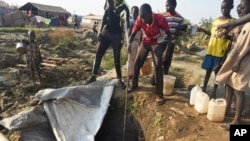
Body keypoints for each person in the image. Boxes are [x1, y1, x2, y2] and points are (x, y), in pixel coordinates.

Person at [127, 3, 172, 106]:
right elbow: (133, 33)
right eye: (141, 18)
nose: (143, 21)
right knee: (137, 63)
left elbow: (169, 35)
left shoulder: (160, 19)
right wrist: (129, 44)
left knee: (158, 66)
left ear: (150, 13)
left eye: (145, 18)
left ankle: (159, 95)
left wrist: (167, 50)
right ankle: (134, 85)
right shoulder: (140, 19)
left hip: (157, 43)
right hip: (146, 42)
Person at [216, 0, 250, 130]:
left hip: (244, 60)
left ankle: (237, 121)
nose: (241, 9)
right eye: (240, 7)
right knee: (229, 83)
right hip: (238, 58)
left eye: (244, 7)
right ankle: (226, 111)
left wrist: (239, 60)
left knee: (239, 89)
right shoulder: (246, 23)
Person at [86, 0, 130, 89]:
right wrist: (100, 31)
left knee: (117, 57)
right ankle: (93, 75)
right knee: (98, 54)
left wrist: (127, 40)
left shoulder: (125, 7)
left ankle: (119, 79)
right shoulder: (109, 2)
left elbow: (126, 24)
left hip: (117, 34)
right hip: (106, 32)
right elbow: (104, 17)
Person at [198, 0, 235, 99]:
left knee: (217, 74)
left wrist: (225, 35)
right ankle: (204, 89)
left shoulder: (232, 22)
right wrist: (202, 30)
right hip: (211, 50)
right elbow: (212, 35)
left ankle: (214, 92)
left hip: (220, 52)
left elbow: (232, 39)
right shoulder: (215, 20)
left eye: (226, 8)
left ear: (231, 7)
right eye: (222, 8)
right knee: (207, 72)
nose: (224, 10)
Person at [151, 0, 186, 85]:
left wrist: (179, 33)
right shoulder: (162, 16)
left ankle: (163, 82)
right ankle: (155, 82)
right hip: (161, 42)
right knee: (158, 63)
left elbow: (182, 32)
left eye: (168, 6)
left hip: (171, 43)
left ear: (174, 6)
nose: (166, 8)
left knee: (167, 63)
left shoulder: (180, 18)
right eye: (165, 6)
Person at [126, 6, 142, 82]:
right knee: (131, 59)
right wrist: (128, 44)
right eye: (134, 12)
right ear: (131, 13)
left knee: (136, 59)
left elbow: (142, 35)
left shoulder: (140, 22)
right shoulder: (131, 22)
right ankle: (130, 75)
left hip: (138, 42)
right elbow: (129, 34)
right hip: (132, 42)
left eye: (137, 12)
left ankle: (134, 74)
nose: (135, 14)